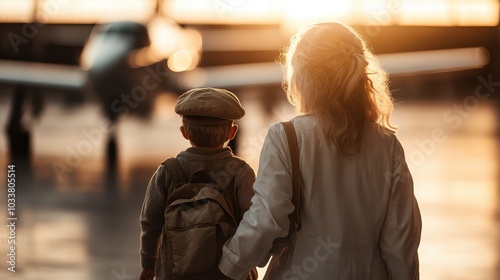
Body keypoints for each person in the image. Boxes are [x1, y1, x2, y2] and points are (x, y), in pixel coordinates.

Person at [219, 22, 422, 279]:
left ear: (304, 77)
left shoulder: (286, 137)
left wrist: (228, 266)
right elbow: (401, 244)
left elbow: (267, 219)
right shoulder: (388, 146)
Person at [139, 87, 257, 280]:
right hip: (227, 274)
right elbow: (252, 223)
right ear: (232, 132)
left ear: (184, 132)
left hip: (175, 272)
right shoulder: (241, 172)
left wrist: (148, 263)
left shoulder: (167, 171)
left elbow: (150, 222)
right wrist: (248, 264)